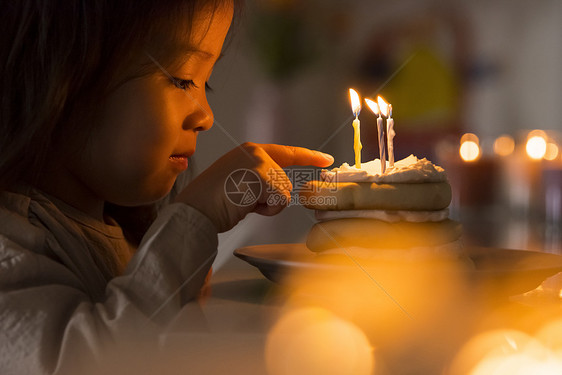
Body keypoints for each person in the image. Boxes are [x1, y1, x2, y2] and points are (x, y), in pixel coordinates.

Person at [0, 0, 334, 373]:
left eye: (204, 82)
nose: (206, 117)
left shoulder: (121, 239)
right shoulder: (8, 247)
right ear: (57, 74)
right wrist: (195, 220)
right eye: (181, 79)